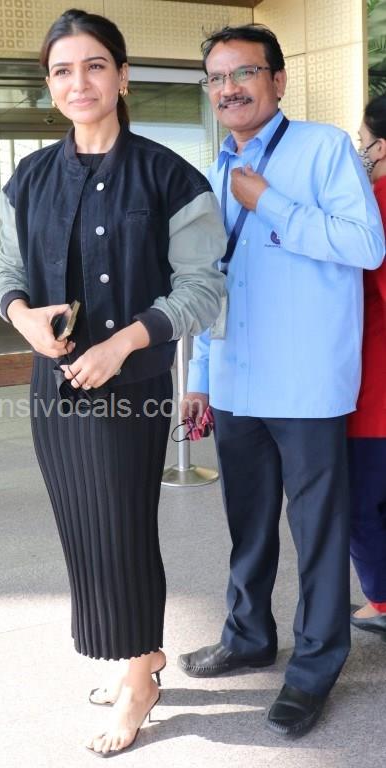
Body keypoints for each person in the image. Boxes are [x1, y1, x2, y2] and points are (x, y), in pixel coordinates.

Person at [0, 8, 226, 757]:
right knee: (83, 526)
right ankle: (141, 655)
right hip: (53, 389)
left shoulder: (170, 176)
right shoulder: (29, 178)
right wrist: (24, 318)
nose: (79, 81)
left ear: (123, 76)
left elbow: (204, 291)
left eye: (95, 65)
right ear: (49, 85)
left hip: (131, 389)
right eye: (62, 70)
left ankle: (138, 682)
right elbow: (6, 272)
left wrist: (125, 341)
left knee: (122, 527)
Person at [178, 23, 385, 738]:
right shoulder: (212, 171)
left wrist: (270, 202)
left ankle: (316, 666)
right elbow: (212, 280)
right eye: (216, 77)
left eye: (244, 72)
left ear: (278, 80)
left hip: (308, 384)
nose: (228, 88)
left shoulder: (324, 149)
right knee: (247, 523)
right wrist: (200, 375)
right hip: (237, 382)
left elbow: (365, 244)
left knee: (318, 532)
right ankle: (247, 636)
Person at [348, 94, 386, 640]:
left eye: (363, 142)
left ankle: (381, 600)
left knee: (362, 505)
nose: (362, 151)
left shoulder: (376, 201)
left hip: (375, 394)